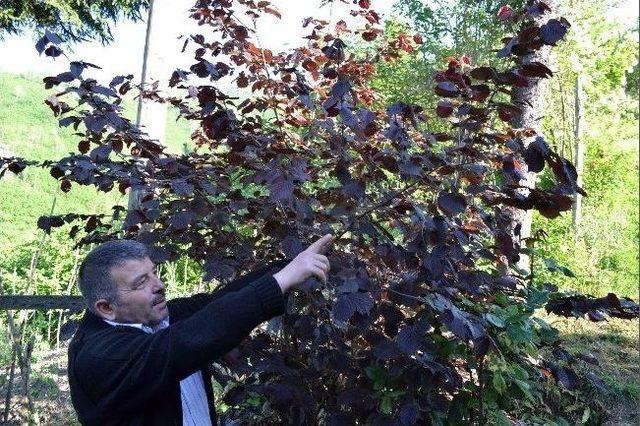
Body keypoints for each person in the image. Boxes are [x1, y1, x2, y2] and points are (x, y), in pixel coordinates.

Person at [67, 234, 333, 425]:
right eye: (141, 283)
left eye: (154, 273)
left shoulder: (155, 318)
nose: (159, 285)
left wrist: (287, 270)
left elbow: (212, 304)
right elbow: (189, 341)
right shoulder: (100, 357)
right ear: (106, 308)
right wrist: (280, 282)